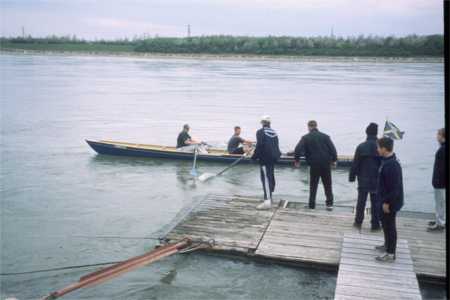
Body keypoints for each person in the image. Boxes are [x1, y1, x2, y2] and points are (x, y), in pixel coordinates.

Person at [294, 120, 337, 211]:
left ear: (309, 127)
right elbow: (333, 149)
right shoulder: (325, 137)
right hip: (325, 163)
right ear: (316, 126)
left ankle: (312, 205)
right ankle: (329, 204)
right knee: (328, 184)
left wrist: (297, 161)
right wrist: (334, 160)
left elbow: (297, 149)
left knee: (313, 185)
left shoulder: (305, 137)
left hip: (314, 164)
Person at [375, 137, 404, 262]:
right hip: (384, 199)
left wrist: (387, 202)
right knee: (385, 225)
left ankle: (390, 253)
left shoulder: (392, 165)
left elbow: (395, 187)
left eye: (378, 147)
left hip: (390, 202)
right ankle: (387, 245)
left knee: (390, 226)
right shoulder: (387, 160)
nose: (377, 149)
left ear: (384, 149)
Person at [349, 123, 382, 231]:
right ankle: (375, 225)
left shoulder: (361, 146)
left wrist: (352, 176)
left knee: (361, 201)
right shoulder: (381, 147)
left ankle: (358, 222)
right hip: (377, 179)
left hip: (363, 178)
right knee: (376, 202)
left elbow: (355, 163)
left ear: (366, 132)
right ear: (376, 133)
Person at [251, 115, 281, 210]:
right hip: (273, 158)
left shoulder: (260, 132)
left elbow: (259, 145)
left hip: (264, 158)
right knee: (270, 176)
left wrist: (254, 157)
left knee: (265, 179)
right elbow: (276, 145)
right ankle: (269, 197)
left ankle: (267, 200)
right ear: (269, 123)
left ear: (262, 123)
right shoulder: (274, 132)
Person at [428, 128, 446, 232]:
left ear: (442, 136)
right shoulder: (442, 148)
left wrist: (437, 181)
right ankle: (439, 220)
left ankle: (440, 224)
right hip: (441, 181)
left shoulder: (442, 150)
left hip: (440, 182)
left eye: (438, 135)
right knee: (441, 202)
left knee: (440, 203)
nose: (436, 136)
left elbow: (441, 168)